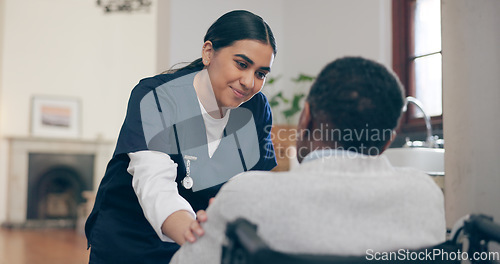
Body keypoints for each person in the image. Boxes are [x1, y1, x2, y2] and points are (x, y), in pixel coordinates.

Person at [170, 57, 446, 263]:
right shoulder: (425, 195)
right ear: (387, 141)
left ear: (306, 118)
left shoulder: (246, 196)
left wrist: (216, 220)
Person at [85, 10, 278, 263]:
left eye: (261, 74)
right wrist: (196, 235)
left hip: (199, 243)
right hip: (130, 240)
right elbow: (154, 185)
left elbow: (255, 186)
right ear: (208, 52)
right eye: (241, 64)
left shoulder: (256, 109)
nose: (249, 82)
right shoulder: (157, 96)